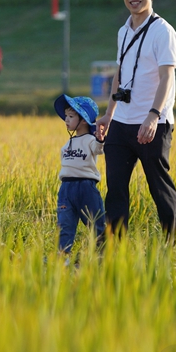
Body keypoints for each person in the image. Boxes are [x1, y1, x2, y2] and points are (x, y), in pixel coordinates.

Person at [95, 0, 176, 239]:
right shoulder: (124, 30)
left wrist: (153, 116)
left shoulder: (163, 31)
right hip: (121, 123)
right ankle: (113, 249)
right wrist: (110, 113)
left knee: (159, 186)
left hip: (152, 124)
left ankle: (174, 243)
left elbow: (167, 77)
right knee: (116, 188)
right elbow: (119, 74)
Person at [54, 94, 106, 254]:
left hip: (86, 188)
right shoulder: (67, 144)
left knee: (95, 223)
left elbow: (99, 149)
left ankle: (102, 255)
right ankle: (62, 255)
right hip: (66, 189)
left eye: (71, 116)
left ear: (83, 120)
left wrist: (100, 138)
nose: (66, 120)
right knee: (65, 224)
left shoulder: (90, 140)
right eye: (66, 116)